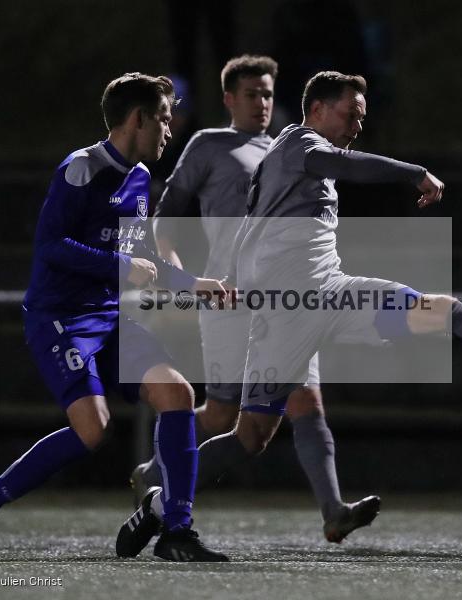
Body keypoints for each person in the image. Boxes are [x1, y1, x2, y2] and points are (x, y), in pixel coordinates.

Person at [117, 71, 462, 556]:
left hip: (330, 297)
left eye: (361, 117)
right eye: (350, 114)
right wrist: (412, 171)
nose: (356, 125)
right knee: (247, 433)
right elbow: (346, 165)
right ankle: (162, 503)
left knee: (443, 313)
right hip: (286, 311)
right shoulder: (296, 144)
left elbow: (335, 175)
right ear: (316, 110)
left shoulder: (305, 160)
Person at [0, 73, 229, 563]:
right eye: (163, 119)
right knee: (93, 430)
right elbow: (51, 246)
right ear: (137, 119)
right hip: (59, 318)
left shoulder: (141, 179)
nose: (169, 130)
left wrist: (194, 286)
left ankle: (176, 529)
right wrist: (121, 266)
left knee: (178, 394)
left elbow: (141, 260)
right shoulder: (82, 168)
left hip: (108, 317)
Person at [124, 55, 379, 548]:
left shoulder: (290, 146)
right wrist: (178, 272)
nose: (262, 103)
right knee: (221, 416)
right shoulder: (209, 145)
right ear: (228, 99)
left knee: (306, 401)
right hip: (230, 297)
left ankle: (333, 510)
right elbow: (167, 214)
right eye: (251, 94)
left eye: (267, 94)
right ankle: (155, 471)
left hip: (287, 299)